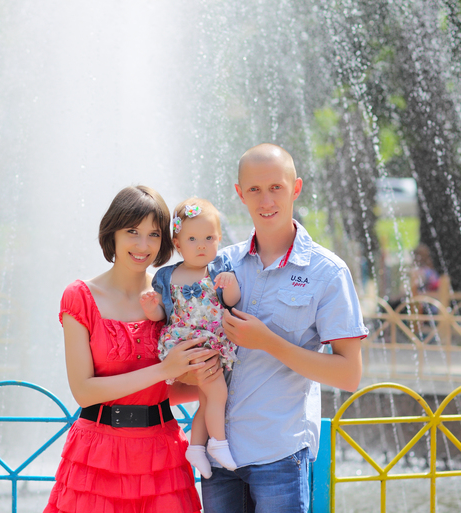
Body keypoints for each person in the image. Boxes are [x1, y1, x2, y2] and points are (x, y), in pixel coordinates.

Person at [199, 144, 368, 512]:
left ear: (296, 188)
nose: (266, 200)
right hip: (219, 454)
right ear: (240, 193)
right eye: (255, 189)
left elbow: (349, 374)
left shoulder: (327, 272)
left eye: (276, 187)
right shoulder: (220, 263)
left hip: (279, 455)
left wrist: (268, 342)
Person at [44, 185, 223, 513]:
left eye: (154, 234)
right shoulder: (80, 297)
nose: (143, 246)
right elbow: (83, 392)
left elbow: (164, 389)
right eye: (132, 232)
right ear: (112, 232)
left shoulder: (170, 294)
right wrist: (164, 369)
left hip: (161, 455)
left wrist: (208, 379)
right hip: (97, 456)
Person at [140, 197, 240, 478]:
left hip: (211, 341)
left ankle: (196, 447)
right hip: (186, 344)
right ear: (178, 243)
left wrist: (231, 284)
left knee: (208, 399)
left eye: (209, 238)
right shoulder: (167, 276)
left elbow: (231, 301)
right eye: (192, 239)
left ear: (219, 239)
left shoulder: (219, 269)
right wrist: (151, 309)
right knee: (218, 392)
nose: (201, 245)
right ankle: (218, 443)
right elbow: (163, 314)